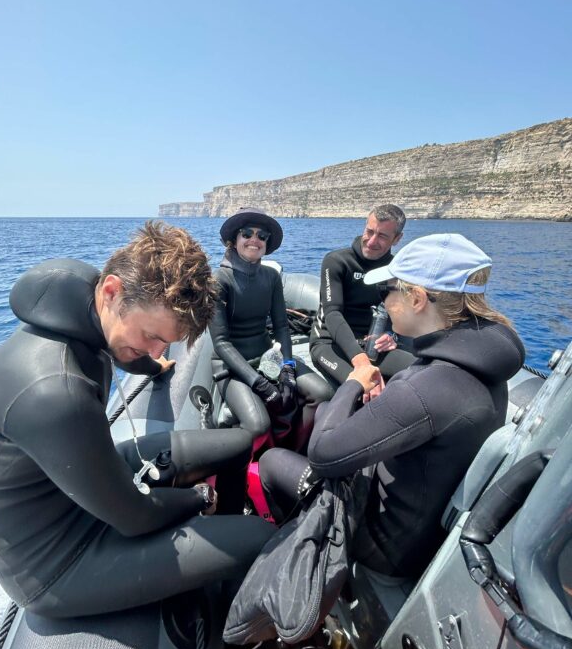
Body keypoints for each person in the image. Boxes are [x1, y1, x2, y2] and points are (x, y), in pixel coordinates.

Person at [0, 221, 274, 618]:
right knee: (262, 536)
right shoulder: (56, 392)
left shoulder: (85, 296)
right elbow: (134, 517)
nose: (155, 347)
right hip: (60, 562)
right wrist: (198, 498)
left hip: (83, 485)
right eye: (151, 335)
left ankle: (223, 542)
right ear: (113, 290)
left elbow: (123, 344)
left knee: (237, 444)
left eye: (165, 342)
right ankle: (222, 610)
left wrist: (151, 364)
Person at [259, 233, 525, 579]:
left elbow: (323, 455)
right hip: (422, 527)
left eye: (385, 291)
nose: (381, 303)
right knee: (326, 411)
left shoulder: (424, 388)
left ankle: (303, 550)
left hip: (384, 545)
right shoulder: (483, 363)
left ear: (416, 299)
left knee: (271, 461)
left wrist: (355, 380)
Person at [211, 207, 333, 452]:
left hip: (268, 356)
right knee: (258, 425)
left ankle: (293, 453)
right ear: (235, 240)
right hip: (231, 367)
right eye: (247, 233)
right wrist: (259, 384)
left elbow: (281, 326)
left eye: (262, 236)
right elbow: (221, 342)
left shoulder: (270, 276)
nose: (254, 239)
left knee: (323, 393)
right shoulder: (219, 280)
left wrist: (287, 367)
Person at [309, 204, 406, 386]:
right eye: (369, 231)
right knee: (363, 388)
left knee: (419, 377)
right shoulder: (337, 261)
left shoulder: (395, 270)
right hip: (329, 344)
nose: (371, 241)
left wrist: (391, 335)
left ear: (397, 239)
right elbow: (332, 314)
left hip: (373, 344)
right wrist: (361, 363)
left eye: (382, 236)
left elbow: (399, 313)